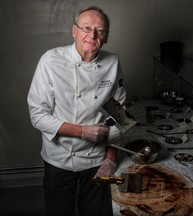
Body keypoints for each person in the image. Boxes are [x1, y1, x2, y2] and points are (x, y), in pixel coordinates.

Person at [27, 6, 126, 216]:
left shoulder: (113, 62)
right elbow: (38, 116)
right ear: (74, 31)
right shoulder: (51, 61)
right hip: (59, 158)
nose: (92, 35)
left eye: (100, 31)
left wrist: (110, 157)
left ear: (106, 37)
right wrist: (82, 132)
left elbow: (119, 116)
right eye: (86, 28)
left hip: (96, 158)